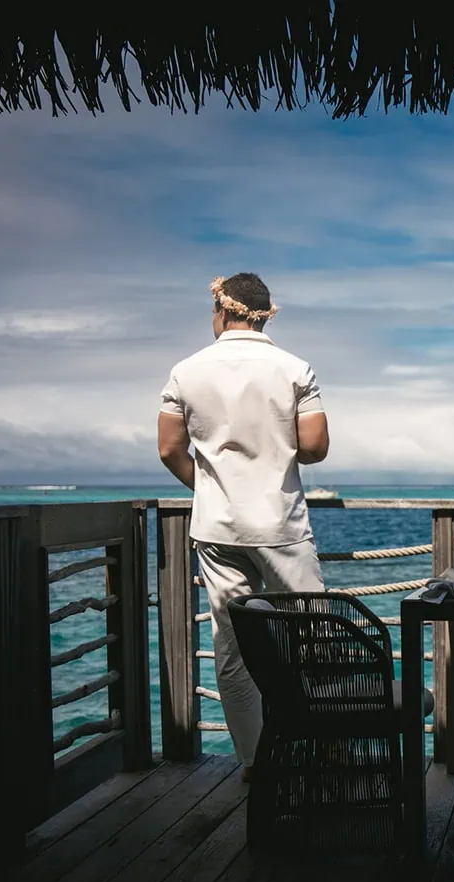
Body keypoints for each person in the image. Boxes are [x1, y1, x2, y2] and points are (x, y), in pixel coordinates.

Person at [157, 273, 331, 782]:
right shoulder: (295, 368)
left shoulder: (185, 372)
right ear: (266, 313)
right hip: (280, 525)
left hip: (217, 528)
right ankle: (320, 749)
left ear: (221, 310)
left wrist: (210, 486)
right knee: (313, 636)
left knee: (232, 647)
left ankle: (257, 763)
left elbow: (169, 448)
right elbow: (316, 447)